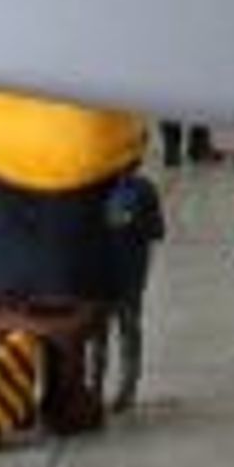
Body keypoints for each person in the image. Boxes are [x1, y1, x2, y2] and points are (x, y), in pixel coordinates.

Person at [98, 142, 166, 412]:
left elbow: (157, 230)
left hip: (128, 275)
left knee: (127, 330)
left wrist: (132, 222)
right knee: (99, 335)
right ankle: (94, 388)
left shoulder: (143, 189)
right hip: (99, 274)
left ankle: (126, 390)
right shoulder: (94, 187)